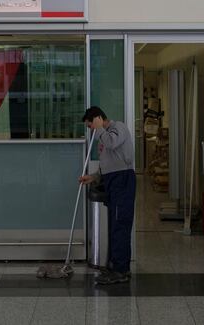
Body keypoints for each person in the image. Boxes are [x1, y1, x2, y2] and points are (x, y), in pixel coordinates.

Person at [79, 106, 135, 285]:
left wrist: (99, 128)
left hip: (123, 181)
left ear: (98, 119)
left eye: (91, 125)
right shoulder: (102, 136)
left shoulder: (118, 128)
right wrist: (93, 177)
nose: (91, 130)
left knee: (120, 225)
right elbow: (107, 165)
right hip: (112, 181)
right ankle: (114, 265)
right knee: (114, 225)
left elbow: (112, 143)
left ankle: (121, 270)